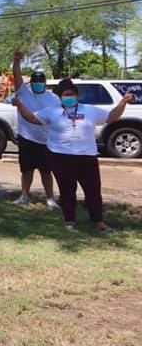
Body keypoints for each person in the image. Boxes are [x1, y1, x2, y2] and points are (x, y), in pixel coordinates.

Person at [14, 79, 132, 232]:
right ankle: (70, 220)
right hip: (60, 156)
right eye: (64, 95)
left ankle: (99, 222)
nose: (68, 97)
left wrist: (123, 103)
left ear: (77, 95)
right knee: (67, 190)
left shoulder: (89, 110)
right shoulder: (52, 110)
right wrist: (20, 105)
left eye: (71, 94)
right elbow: (32, 118)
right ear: (60, 97)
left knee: (93, 190)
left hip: (86, 157)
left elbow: (111, 117)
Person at [10, 52, 59, 208]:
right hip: (26, 138)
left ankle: (50, 198)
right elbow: (17, 76)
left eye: (40, 82)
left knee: (46, 171)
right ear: (30, 83)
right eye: (35, 82)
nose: (38, 84)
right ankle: (25, 196)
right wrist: (16, 61)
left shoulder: (53, 98)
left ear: (45, 83)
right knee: (26, 170)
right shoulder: (24, 92)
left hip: (46, 140)